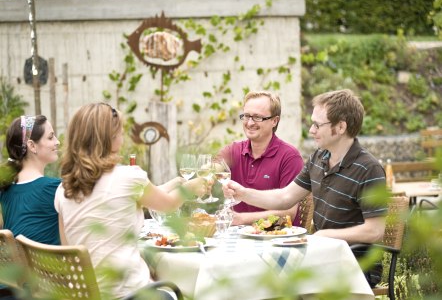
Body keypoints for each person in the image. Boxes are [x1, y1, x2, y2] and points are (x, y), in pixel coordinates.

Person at [224, 89, 388, 287]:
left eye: (317, 124)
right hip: (320, 256)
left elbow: (375, 231)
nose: (311, 130)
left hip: (354, 265)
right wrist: (243, 193)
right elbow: (285, 197)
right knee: (256, 279)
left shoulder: (369, 169)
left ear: (341, 127)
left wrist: (323, 236)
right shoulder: (318, 159)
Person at [54, 103, 205, 299]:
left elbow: (69, 248)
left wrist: (174, 184)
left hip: (85, 294)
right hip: (129, 294)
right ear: (110, 138)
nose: (123, 137)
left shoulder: (63, 189)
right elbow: (168, 205)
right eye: (120, 132)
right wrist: (190, 187)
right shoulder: (128, 177)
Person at [217, 91, 304, 226]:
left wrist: (241, 219)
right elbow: (208, 172)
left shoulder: (290, 157)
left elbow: (289, 213)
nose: (250, 123)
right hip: (239, 238)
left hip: (278, 240)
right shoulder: (233, 151)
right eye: (246, 116)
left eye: (257, 117)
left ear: (274, 121)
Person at [0, 115, 61, 245]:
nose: (57, 142)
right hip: (50, 265)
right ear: (32, 146)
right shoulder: (55, 189)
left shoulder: (4, 190)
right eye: (51, 137)